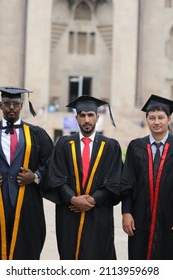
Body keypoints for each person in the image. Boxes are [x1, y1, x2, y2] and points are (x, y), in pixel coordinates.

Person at [0, 86, 54, 260]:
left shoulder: (37, 134)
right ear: (0, 105)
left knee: (27, 246)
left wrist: (35, 176)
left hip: (27, 202)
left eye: (15, 104)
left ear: (22, 106)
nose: (11, 107)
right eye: (7, 103)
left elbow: (51, 163)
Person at [121, 94, 173, 260]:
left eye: (161, 118)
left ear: (169, 119)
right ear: (146, 119)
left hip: (171, 219)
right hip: (140, 218)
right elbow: (127, 182)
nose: (157, 122)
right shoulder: (136, 146)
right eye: (152, 118)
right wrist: (126, 212)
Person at [47, 95, 122, 260]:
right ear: (76, 118)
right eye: (82, 115)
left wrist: (92, 200)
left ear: (97, 117)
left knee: (98, 254)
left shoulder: (110, 146)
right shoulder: (64, 144)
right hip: (69, 212)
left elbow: (114, 179)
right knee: (69, 254)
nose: (86, 120)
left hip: (98, 212)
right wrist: (72, 199)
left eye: (90, 115)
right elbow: (56, 176)